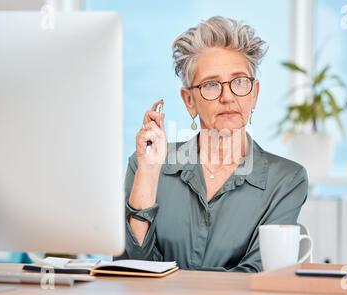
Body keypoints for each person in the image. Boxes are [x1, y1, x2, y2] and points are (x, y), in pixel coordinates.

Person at [120, 16, 308, 272]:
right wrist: (150, 173)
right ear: (189, 101)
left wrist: (171, 280)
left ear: (254, 95)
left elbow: (256, 275)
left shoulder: (286, 179)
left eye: (240, 81)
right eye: (211, 85)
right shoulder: (146, 164)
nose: (228, 96)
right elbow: (131, 269)